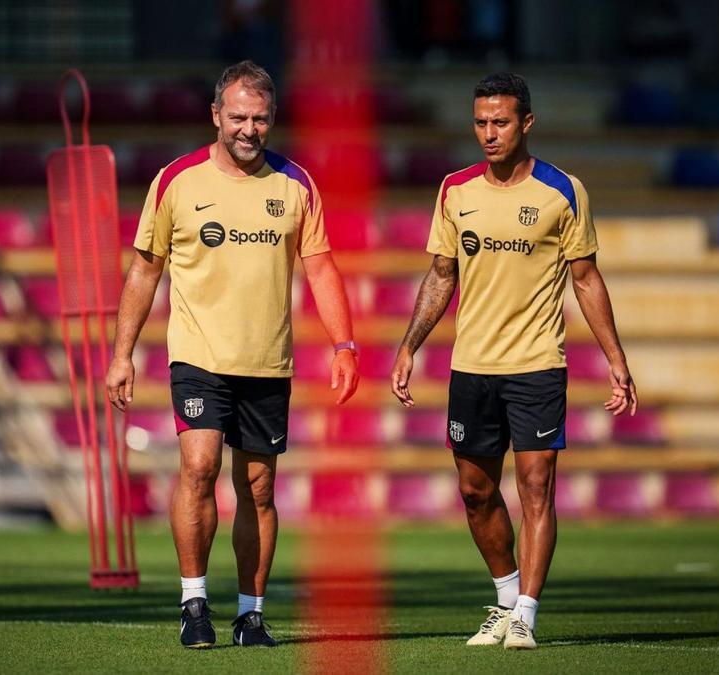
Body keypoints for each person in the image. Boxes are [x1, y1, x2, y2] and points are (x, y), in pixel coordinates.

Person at [106, 60, 359, 649]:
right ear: (216, 115)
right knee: (199, 467)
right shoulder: (177, 181)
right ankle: (194, 603)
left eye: (261, 119)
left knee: (260, 489)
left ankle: (251, 613)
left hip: (267, 361)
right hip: (198, 354)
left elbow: (319, 266)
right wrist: (123, 354)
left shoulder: (296, 185)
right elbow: (145, 270)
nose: (249, 129)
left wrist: (343, 345)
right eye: (239, 117)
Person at [390, 73, 637, 650]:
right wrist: (409, 345)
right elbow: (440, 275)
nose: (489, 134)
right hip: (471, 366)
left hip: (536, 365)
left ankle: (526, 612)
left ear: (527, 122)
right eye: (480, 123)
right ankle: (503, 600)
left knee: (535, 485)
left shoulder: (563, 191)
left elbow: (586, 278)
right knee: (475, 491)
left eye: (500, 122)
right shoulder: (455, 190)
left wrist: (615, 359)